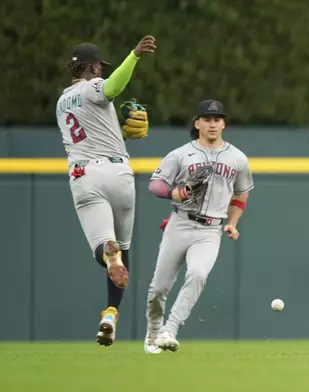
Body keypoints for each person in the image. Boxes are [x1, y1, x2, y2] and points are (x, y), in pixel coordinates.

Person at [55, 36, 156, 346]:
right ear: (94, 66)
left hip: (87, 176)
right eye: (100, 67)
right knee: (123, 251)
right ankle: (111, 312)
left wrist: (120, 131)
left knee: (106, 250)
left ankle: (107, 257)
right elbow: (112, 87)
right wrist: (134, 56)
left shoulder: (62, 102)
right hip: (120, 173)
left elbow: (93, 130)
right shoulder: (93, 87)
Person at [144, 99, 254, 353]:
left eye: (217, 119)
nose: (212, 124)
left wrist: (233, 223)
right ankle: (153, 330)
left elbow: (241, 194)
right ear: (198, 123)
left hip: (210, 230)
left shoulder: (237, 158)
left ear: (223, 123)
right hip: (180, 223)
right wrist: (175, 193)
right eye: (207, 119)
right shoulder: (181, 154)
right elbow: (155, 184)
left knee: (198, 275)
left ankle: (170, 329)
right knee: (159, 288)